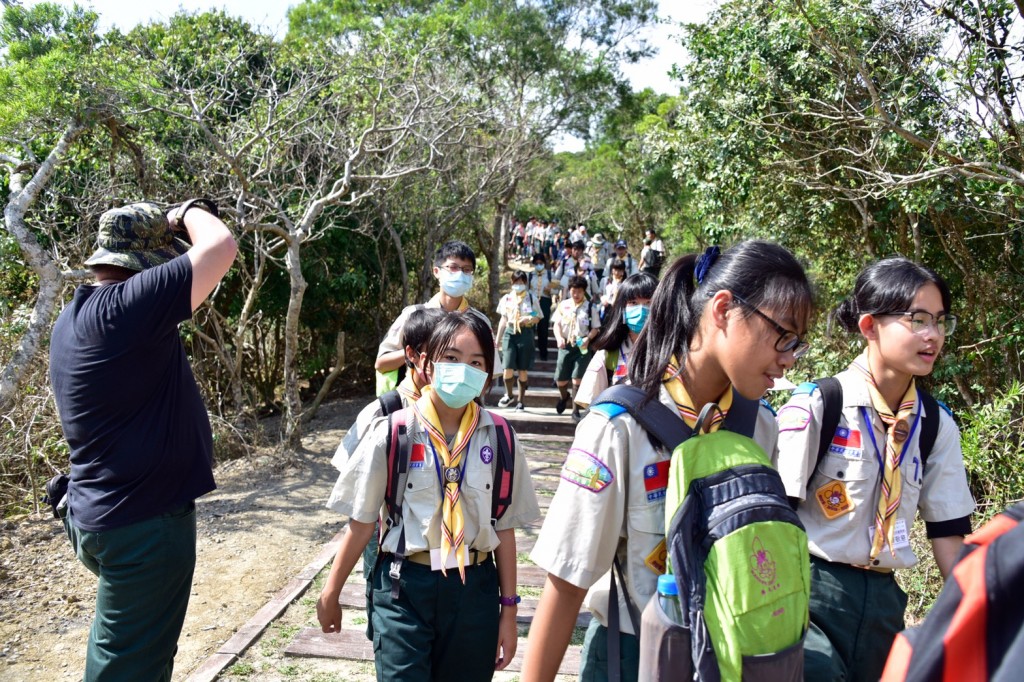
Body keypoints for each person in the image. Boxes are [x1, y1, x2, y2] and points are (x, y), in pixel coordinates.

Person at [523, 241, 813, 682]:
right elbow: (566, 583)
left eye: (798, 344)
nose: (789, 357)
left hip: (730, 658)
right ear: (722, 310)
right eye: (783, 335)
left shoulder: (761, 427)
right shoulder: (618, 428)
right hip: (633, 653)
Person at [49, 200, 237, 681]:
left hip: (101, 510)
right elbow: (220, 246)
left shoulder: (74, 317)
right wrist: (187, 212)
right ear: (145, 267)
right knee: (128, 667)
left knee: (129, 651)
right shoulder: (128, 305)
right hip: (141, 525)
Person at [773, 257, 975, 682]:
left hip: (884, 602)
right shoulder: (819, 406)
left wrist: (971, 616)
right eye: (917, 319)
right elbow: (775, 520)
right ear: (869, 327)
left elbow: (948, 531)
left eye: (940, 321)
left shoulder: (935, 424)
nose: (932, 335)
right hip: (811, 592)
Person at [317, 311, 540, 680]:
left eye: (476, 362)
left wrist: (509, 611)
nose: (462, 370)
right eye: (451, 359)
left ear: (487, 374)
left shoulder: (500, 437)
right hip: (405, 587)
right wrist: (331, 592)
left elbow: (504, 528)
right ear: (426, 363)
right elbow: (360, 523)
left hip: (475, 587)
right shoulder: (392, 432)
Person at [375, 240, 501, 394]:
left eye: (467, 270)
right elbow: (381, 364)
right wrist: (415, 352)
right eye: (453, 268)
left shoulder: (480, 321)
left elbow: (489, 373)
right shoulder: (413, 315)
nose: (460, 274)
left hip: (463, 408)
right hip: (415, 404)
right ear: (436, 271)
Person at [574, 272, 658, 409]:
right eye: (633, 303)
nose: (641, 309)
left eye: (649, 302)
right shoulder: (607, 355)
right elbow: (590, 405)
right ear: (622, 309)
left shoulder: (671, 354)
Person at [551, 275, 603, 423]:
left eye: (579, 291)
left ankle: (575, 410)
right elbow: (557, 325)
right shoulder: (563, 305)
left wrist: (588, 339)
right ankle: (564, 397)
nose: (576, 294)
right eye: (573, 291)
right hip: (566, 346)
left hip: (582, 347)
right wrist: (559, 338)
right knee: (561, 380)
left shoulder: (590, 307)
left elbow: (596, 328)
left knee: (577, 380)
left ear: (584, 291)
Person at [495, 271, 542, 410]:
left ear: (526, 283)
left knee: (522, 369)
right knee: (507, 367)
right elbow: (503, 319)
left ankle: (521, 401)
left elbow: (537, 314)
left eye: (521, 283)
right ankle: (509, 395)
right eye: (516, 282)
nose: (519, 285)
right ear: (512, 283)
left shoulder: (531, 298)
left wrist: (530, 318)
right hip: (510, 332)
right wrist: (497, 340)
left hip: (526, 332)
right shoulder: (507, 299)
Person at [528, 252, 558, 362]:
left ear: (544, 264)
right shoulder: (530, 275)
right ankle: (529, 353)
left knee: (543, 328)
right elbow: (526, 290)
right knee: (531, 326)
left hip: (545, 302)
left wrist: (550, 290)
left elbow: (557, 289)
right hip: (532, 305)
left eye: (541, 263)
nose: (538, 265)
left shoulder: (551, 275)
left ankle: (543, 353)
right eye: (536, 263)